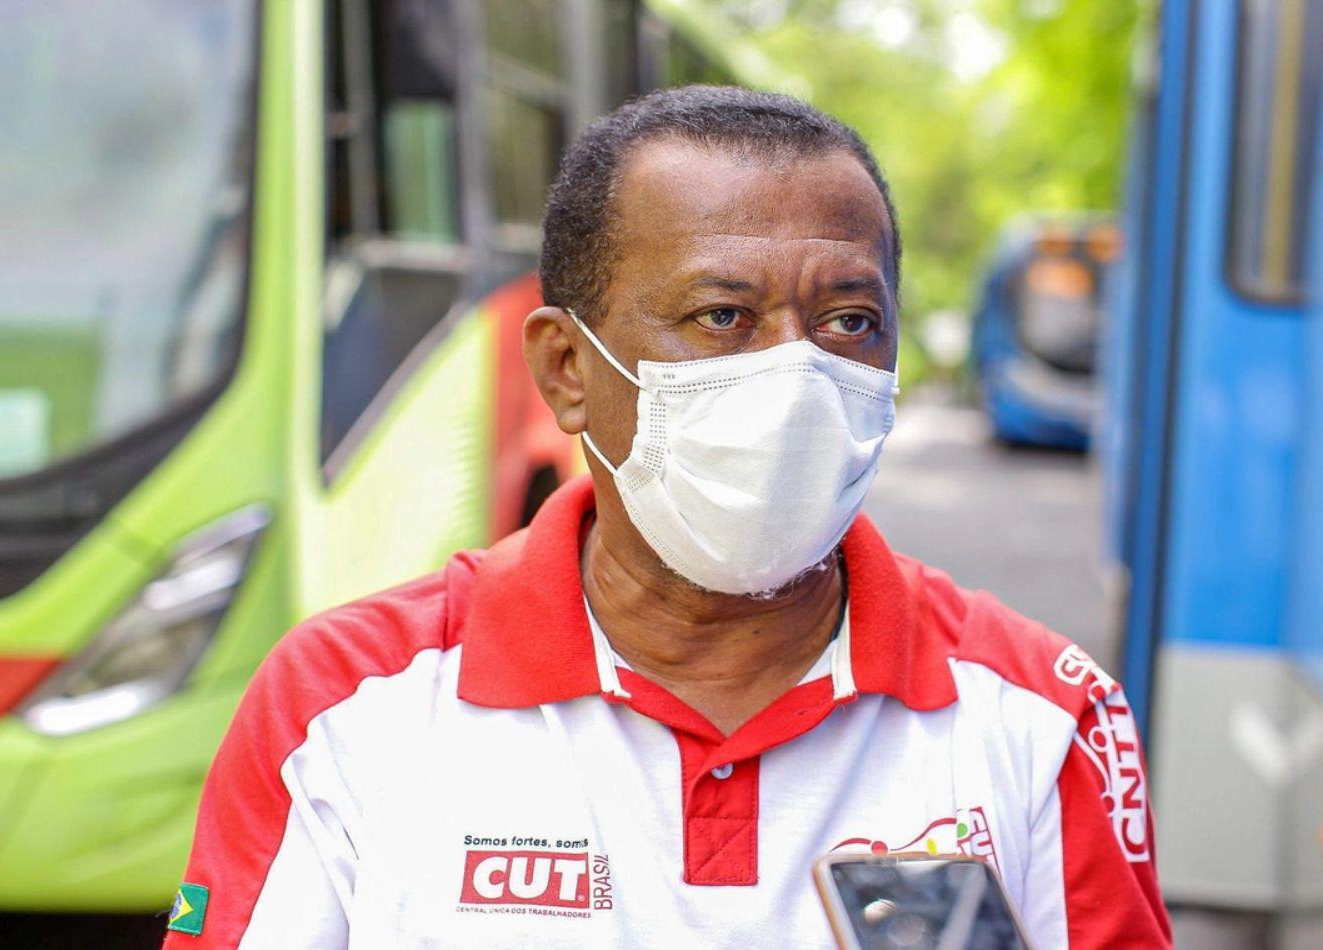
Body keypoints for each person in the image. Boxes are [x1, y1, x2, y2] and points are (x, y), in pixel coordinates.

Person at [163, 85, 1171, 948]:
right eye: (721, 316)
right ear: (567, 369)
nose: (796, 374)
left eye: (849, 322)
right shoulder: (345, 708)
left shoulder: (1043, 719)